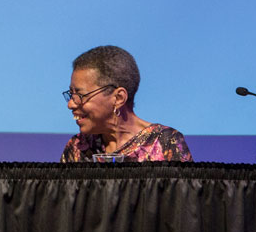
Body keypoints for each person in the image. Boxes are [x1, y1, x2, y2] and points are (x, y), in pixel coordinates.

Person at [61, 45, 191, 162]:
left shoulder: (165, 144)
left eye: (80, 95)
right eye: (71, 94)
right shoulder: (78, 147)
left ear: (118, 98)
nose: (71, 104)